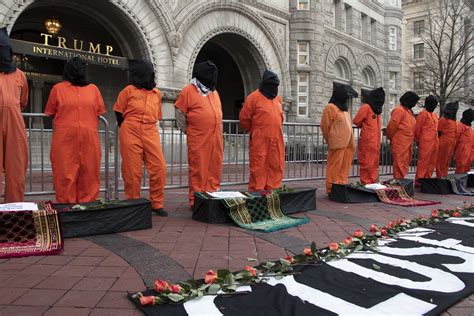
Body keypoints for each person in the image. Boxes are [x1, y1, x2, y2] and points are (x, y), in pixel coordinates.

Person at [44, 57, 106, 203]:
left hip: (89, 140)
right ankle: (67, 208)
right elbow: (51, 111)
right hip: (65, 140)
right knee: (64, 174)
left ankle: (88, 208)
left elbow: (98, 111)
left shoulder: (94, 89)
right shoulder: (58, 89)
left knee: (90, 173)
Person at [114, 61, 167, 216]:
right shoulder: (128, 91)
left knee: (159, 167)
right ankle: (133, 201)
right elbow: (119, 111)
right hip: (130, 129)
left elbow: (157, 115)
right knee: (132, 169)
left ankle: (156, 203)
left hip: (150, 130)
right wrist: (126, 128)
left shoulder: (156, 93)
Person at [174, 61, 223, 208]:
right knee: (198, 170)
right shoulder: (188, 91)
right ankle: (196, 201)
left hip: (216, 137)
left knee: (215, 168)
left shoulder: (213, 92)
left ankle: (212, 195)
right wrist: (189, 130)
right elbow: (180, 114)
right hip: (198, 138)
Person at [240, 70, 284, 191]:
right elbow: (244, 118)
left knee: (276, 165)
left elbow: (280, 119)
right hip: (260, 140)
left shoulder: (278, 100)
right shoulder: (253, 98)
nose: (274, 88)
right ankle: (257, 195)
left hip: (277, 140)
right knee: (258, 167)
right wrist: (255, 132)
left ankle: (273, 195)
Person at [0, 27, 29, 202]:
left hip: (14, 126)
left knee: (16, 168)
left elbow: (23, 101)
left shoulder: (20, 75)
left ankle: (14, 208)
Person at [321, 84, 355, 194]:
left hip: (348, 144)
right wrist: (331, 140)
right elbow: (325, 126)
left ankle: (341, 183)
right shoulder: (331, 107)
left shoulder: (344, 109)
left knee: (344, 165)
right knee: (334, 166)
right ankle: (331, 188)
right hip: (338, 143)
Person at [353, 87, 385, 184]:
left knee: (367, 162)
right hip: (375, 140)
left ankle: (366, 182)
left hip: (368, 140)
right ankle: (371, 181)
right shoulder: (378, 110)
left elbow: (356, 121)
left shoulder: (367, 107)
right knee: (373, 163)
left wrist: (362, 125)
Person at [386, 91, 419, 180]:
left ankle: (401, 179)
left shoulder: (408, 112)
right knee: (399, 162)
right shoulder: (399, 110)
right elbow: (392, 126)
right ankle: (398, 181)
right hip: (400, 142)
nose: (414, 105)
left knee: (405, 162)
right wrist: (391, 138)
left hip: (408, 142)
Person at [414, 95, 439, 185]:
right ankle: (419, 180)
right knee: (423, 161)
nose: (434, 105)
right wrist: (418, 140)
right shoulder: (422, 114)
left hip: (435, 141)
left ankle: (427, 179)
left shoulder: (435, 115)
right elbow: (417, 129)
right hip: (425, 141)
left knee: (432, 161)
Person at [436, 101, 459, 178]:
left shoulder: (453, 121)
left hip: (451, 142)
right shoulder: (443, 120)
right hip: (445, 142)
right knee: (441, 160)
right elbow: (438, 132)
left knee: (447, 161)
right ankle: (440, 176)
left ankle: (444, 175)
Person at [454, 109, 473, 174]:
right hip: (462, 152)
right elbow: (456, 137)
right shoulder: (461, 126)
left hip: (468, 153)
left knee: (466, 169)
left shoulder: (469, 128)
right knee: (461, 167)